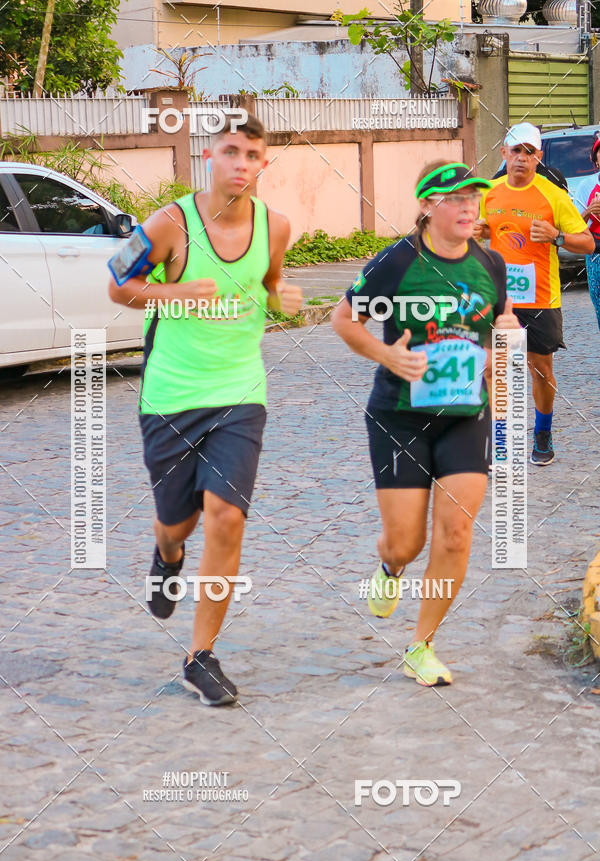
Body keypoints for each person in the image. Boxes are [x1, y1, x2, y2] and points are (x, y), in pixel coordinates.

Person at [108, 113, 303, 705]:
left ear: (264, 164)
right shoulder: (171, 223)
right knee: (179, 524)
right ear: (209, 157)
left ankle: (201, 656)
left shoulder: (275, 226)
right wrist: (175, 290)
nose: (241, 164)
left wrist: (281, 295)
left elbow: (269, 282)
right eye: (231, 152)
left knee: (226, 515)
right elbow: (119, 283)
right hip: (169, 396)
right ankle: (166, 557)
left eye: (252, 155)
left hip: (240, 394)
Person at [332, 161, 521, 687]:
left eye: (473, 198)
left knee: (457, 533)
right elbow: (344, 319)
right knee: (405, 541)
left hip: (465, 414)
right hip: (400, 415)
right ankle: (390, 567)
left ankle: (423, 645)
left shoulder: (490, 262)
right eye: (456, 198)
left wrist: (504, 330)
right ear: (427, 206)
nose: (468, 207)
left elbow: (500, 324)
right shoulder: (396, 263)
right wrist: (387, 356)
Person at [476, 122, 594, 466]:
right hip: (500, 299)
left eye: (529, 152)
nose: (522, 158)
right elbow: (472, 230)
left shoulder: (553, 194)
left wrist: (557, 236)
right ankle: (498, 441)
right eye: (516, 151)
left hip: (541, 298)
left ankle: (543, 432)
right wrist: (476, 231)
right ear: (504, 154)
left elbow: (587, 242)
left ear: (539, 157)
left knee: (540, 370)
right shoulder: (489, 191)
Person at [573, 133, 600, 330]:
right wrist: (588, 211)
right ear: (596, 160)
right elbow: (573, 226)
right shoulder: (586, 185)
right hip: (595, 256)